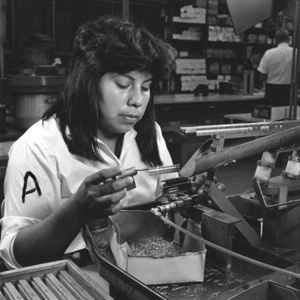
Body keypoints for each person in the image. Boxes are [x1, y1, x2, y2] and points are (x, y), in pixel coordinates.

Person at [0, 15, 178, 269]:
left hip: (144, 266)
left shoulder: (150, 133)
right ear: (88, 82)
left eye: (146, 87)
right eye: (123, 84)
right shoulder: (38, 147)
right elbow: (14, 256)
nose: (137, 100)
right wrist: (76, 211)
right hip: (73, 276)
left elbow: (168, 203)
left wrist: (189, 191)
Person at [257, 28, 293, 106]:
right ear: (288, 39)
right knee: (287, 115)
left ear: (276, 40)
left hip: (272, 90)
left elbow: (262, 75)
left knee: (270, 115)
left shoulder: (269, 53)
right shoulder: (295, 53)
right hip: (289, 90)